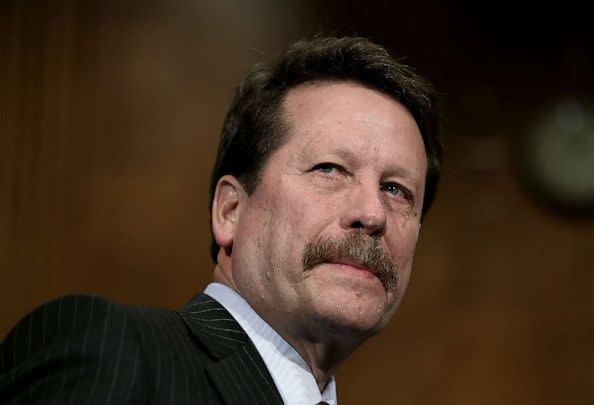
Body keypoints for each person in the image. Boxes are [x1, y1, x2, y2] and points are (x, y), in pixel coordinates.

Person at [0, 35, 441, 404]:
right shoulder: (111, 354)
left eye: (396, 190)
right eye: (329, 169)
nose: (372, 212)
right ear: (230, 210)